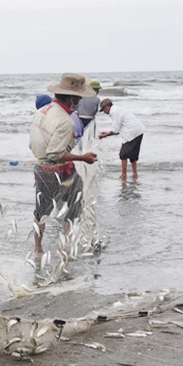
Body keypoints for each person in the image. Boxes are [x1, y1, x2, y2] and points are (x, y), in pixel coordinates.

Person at [29, 73, 98, 261]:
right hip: (59, 170)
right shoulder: (65, 121)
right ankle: (65, 248)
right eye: (78, 97)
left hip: (40, 168)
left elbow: (35, 142)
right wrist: (82, 157)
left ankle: (38, 250)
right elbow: (55, 154)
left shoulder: (42, 111)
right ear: (71, 98)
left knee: (41, 211)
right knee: (74, 206)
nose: (80, 100)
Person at [98, 98, 145, 179]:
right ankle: (135, 173)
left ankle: (124, 174)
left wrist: (105, 135)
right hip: (139, 130)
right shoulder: (119, 109)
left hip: (131, 132)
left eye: (103, 110)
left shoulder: (113, 112)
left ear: (106, 107)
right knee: (133, 155)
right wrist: (107, 133)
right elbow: (117, 129)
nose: (104, 113)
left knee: (123, 155)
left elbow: (116, 130)